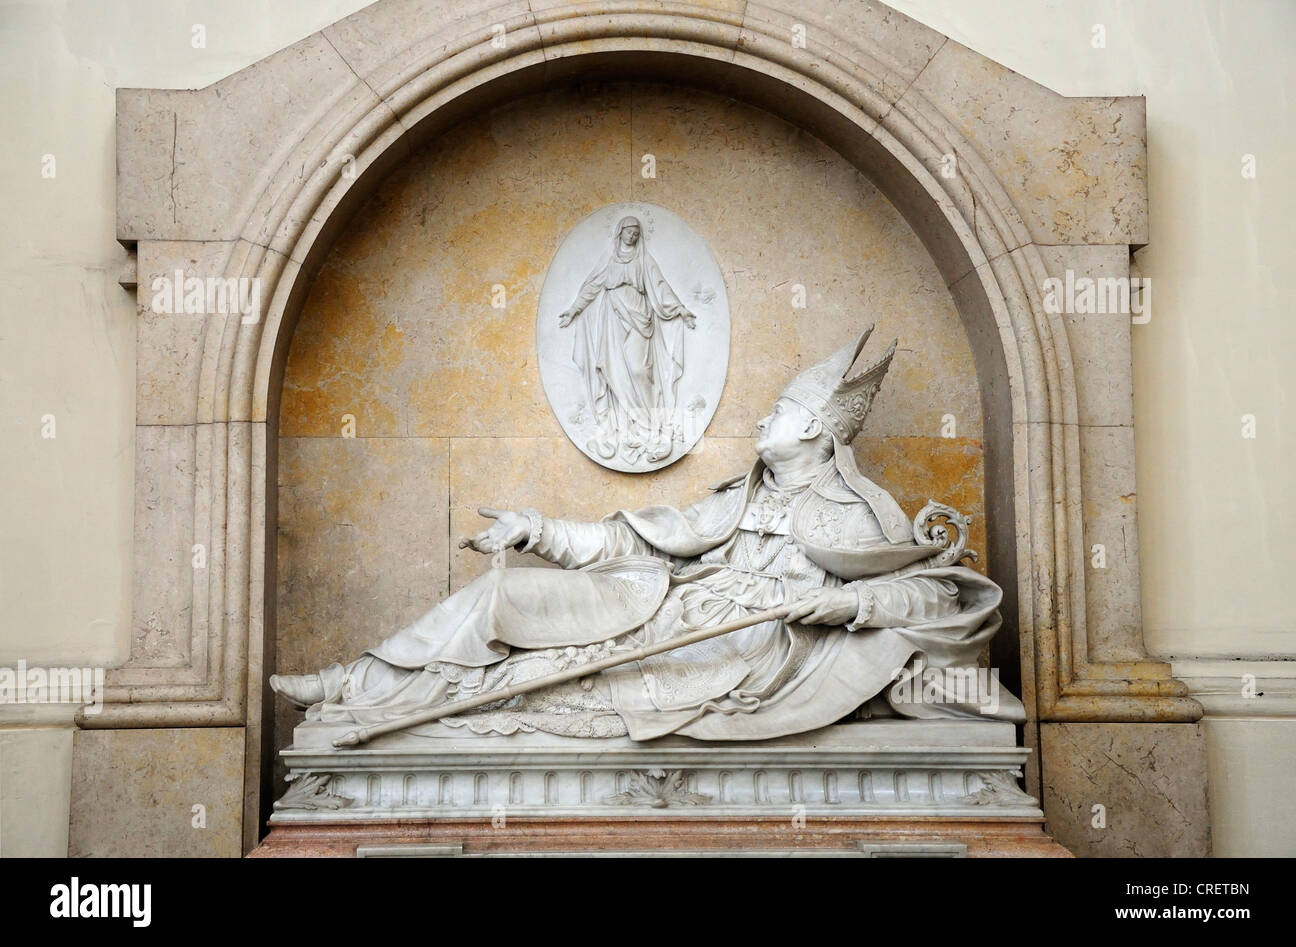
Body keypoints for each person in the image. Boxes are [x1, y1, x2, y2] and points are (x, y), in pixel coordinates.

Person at [271, 327, 1024, 741]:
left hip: (743, 647)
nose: (763, 420)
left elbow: (933, 592)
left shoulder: (863, 511)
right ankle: (357, 683)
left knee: (543, 674)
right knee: (508, 595)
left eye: (782, 412)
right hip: (662, 603)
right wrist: (536, 528)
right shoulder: (736, 496)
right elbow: (637, 541)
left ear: (822, 432)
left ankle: (380, 707)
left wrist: (847, 607)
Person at [558, 216, 695, 463]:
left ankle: (651, 423)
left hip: (640, 319)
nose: (631, 236)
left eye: (635, 233)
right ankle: (629, 427)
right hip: (613, 318)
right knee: (615, 371)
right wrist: (574, 309)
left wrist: (680, 308)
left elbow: (660, 286)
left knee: (639, 370)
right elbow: (591, 287)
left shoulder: (644, 261)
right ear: (620, 233)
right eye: (628, 232)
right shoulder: (609, 261)